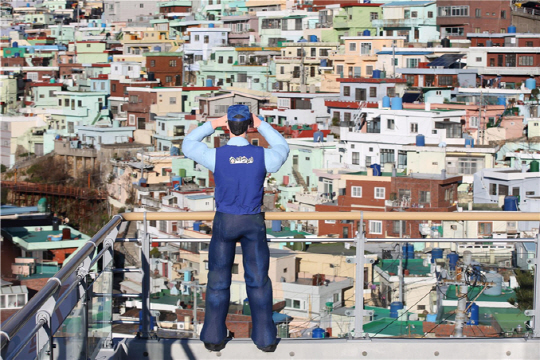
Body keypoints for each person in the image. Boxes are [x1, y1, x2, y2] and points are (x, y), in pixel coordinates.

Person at [182, 105, 289, 353]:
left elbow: (188, 144)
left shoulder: (216, 156)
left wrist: (214, 123)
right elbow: (282, 147)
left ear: (228, 126)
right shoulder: (263, 156)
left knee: (218, 281)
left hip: (225, 221)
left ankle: (213, 336)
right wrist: (261, 124)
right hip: (252, 221)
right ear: (249, 125)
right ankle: (264, 338)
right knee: (259, 281)